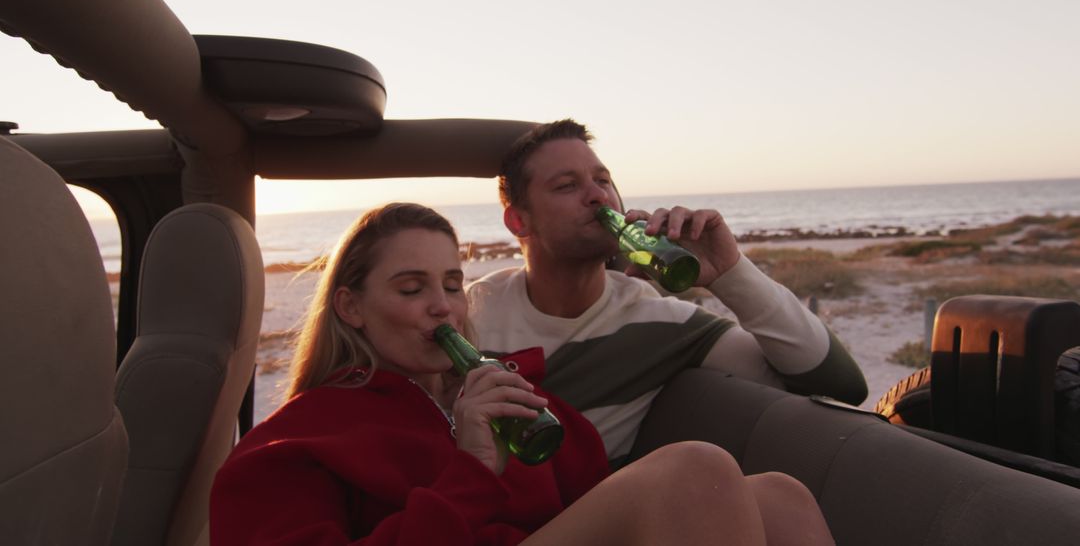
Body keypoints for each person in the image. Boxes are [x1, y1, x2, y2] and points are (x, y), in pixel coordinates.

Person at [210, 202, 835, 545]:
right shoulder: (296, 442)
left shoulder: (511, 398)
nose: (442, 306)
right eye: (410, 288)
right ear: (351, 307)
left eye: (453, 284)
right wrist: (473, 469)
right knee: (693, 469)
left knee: (780, 496)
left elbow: (596, 506)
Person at [468, 119, 868, 466]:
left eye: (603, 180)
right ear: (518, 221)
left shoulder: (661, 322)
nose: (598, 196)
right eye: (567, 185)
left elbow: (841, 386)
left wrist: (729, 272)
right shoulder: (470, 313)